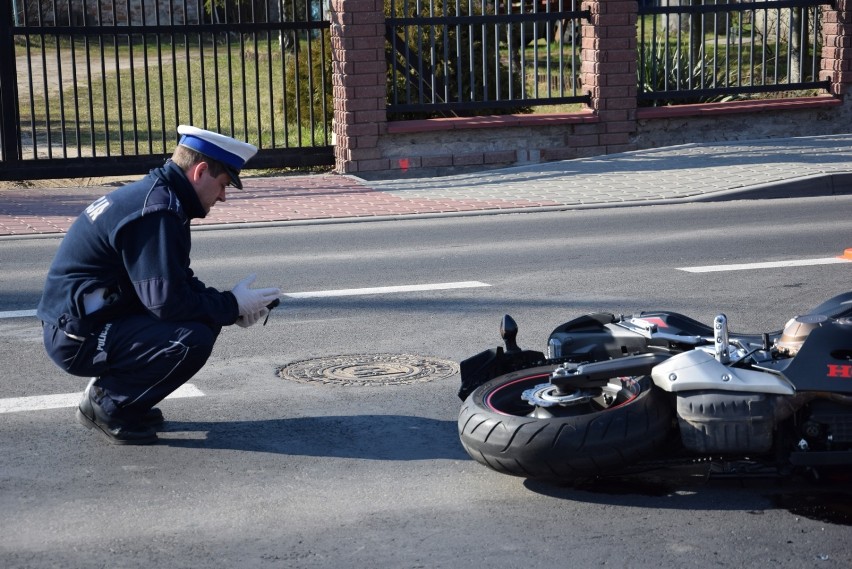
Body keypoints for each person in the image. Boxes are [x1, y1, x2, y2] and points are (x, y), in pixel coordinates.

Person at [37, 125, 281, 445]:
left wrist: (229, 306)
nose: (223, 195)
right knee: (190, 337)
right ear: (201, 171)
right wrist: (231, 305)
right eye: (223, 184)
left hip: (89, 321)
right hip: (77, 336)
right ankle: (108, 403)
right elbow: (167, 303)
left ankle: (129, 399)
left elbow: (177, 283)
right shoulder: (159, 210)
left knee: (203, 320)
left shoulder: (164, 199)